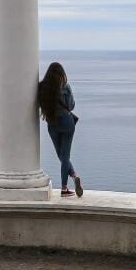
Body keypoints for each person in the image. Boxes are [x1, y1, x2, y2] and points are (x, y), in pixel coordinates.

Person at [37, 62, 83, 198]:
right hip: (67, 123)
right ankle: (65, 187)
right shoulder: (65, 86)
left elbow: (40, 104)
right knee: (65, 157)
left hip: (52, 123)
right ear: (61, 74)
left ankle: (73, 178)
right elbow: (71, 106)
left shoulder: (42, 87)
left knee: (62, 156)